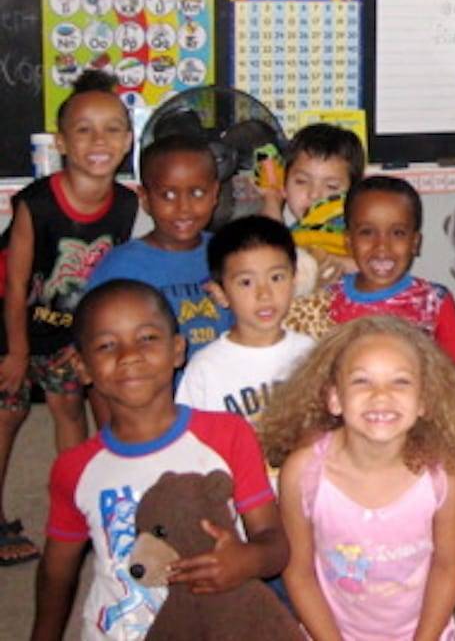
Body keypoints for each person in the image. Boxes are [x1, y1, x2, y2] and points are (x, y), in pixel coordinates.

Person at [31, 279, 287, 640]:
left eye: (147, 338)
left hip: (213, 628)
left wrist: (246, 560)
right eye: (107, 345)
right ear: (82, 366)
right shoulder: (74, 468)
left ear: (178, 350)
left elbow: (274, 543)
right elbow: (57, 574)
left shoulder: (227, 434)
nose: (129, 355)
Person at [256, 317, 455, 640]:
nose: (381, 395)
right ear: (334, 398)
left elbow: (448, 567)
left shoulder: (444, 475)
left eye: (400, 382)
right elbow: (299, 573)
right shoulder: (303, 473)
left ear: (424, 400)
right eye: (362, 381)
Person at [0, 71, 140, 566]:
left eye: (111, 129)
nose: (98, 141)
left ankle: (77, 509)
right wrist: (16, 352)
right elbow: (15, 284)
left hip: (70, 335)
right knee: (8, 413)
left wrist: (88, 345)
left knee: (67, 409)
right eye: (83, 130)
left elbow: (112, 284)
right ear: (61, 141)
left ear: (127, 141)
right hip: (14, 325)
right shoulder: (37, 203)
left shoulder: (127, 205)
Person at [284, 176, 455, 364]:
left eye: (397, 233)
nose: (382, 247)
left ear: (415, 243)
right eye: (367, 232)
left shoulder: (435, 301)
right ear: (348, 241)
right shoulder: (325, 303)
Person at [88, 134, 232, 361]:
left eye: (197, 193)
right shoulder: (120, 268)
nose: (184, 208)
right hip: (157, 395)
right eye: (168, 195)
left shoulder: (230, 254)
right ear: (145, 198)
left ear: (215, 194)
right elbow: (99, 349)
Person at [176, 215, 314, 429]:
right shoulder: (205, 368)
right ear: (220, 293)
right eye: (246, 282)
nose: (264, 294)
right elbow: (192, 442)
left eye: (276, 278)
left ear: (294, 280)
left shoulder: (312, 353)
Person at [259, 122, 365, 279]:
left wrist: (333, 261)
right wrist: (272, 198)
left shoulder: (355, 230)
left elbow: (373, 266)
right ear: (285, 183)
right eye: (301, 181)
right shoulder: (294, 233)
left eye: (331, 186)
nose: (314, 195)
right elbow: (267, 248)